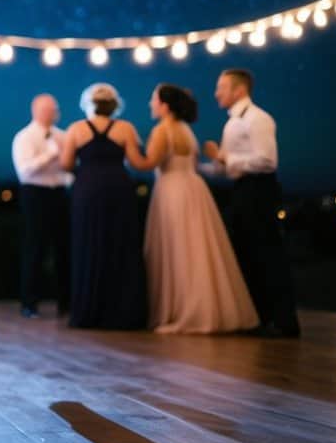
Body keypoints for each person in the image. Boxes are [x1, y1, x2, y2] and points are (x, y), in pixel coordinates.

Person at [129, 84, 258, 334]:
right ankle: (207, 308)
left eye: (153, 100)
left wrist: (128, 148)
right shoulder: (186, 130)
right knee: (196, 249)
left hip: (171, 191)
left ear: (164, 106)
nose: (150, 105)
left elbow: (146, 164)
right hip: (195, 189)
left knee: (176, 248)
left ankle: (183, 311)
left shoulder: (162, 130)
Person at [201, 69, 300, 338]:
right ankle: (260, 317)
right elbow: (226, 169)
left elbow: (267, 161)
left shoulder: (258, 119)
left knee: (267, 253)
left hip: (260, 190)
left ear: (239, 90)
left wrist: (225, 160)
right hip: (242, 190)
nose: (216, 93)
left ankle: (284, 321)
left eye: (221, 87)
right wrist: (200, 167)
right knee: (246, 253)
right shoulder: (231, 123)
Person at [59, 83, 147, 330]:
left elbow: (65, 164)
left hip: (87, 189)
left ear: (88, 104)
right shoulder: (126, 128)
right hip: (119, 189)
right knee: (120, 244)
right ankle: (121, 311)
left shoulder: (76, 129)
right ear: (113, 105)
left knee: (87, 245)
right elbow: (137, 162)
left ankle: (88, 310)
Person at [11, 94, 73, 319]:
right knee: (34, 249)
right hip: (34, 195)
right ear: (35, 110)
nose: (52, 113)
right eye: (47, 109)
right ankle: (29, 303)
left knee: (64, 250)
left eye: (54, 109)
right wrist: (49, 155)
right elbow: (25, 170)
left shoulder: (64, 136)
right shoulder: (24, 137)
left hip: (59, 195)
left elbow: (70, 167)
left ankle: (66, 303)